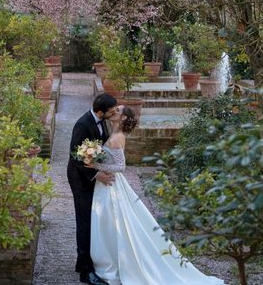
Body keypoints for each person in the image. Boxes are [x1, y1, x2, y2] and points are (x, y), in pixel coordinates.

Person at [88, 106, 225, 285]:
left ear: (122, 118)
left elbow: (121, 167)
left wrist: (95, 167)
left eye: (118, 110)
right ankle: (109, 260)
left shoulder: (116, 138)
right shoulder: (111, 133)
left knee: (112, 222)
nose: (114, 111)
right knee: (108, 223)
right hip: (107, 184)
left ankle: (114, 264)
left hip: (111, 184)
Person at [67, 93, 118, 285]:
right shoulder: (82, 124)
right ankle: (85, 272)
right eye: (111, 111)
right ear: (100, 111)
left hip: (92, 174)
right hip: (80, 179)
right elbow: (76, 156)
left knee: (93, 221)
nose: (113, 113)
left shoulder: (102, 120)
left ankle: (85, 263)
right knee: (85, 223)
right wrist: (97, 175)